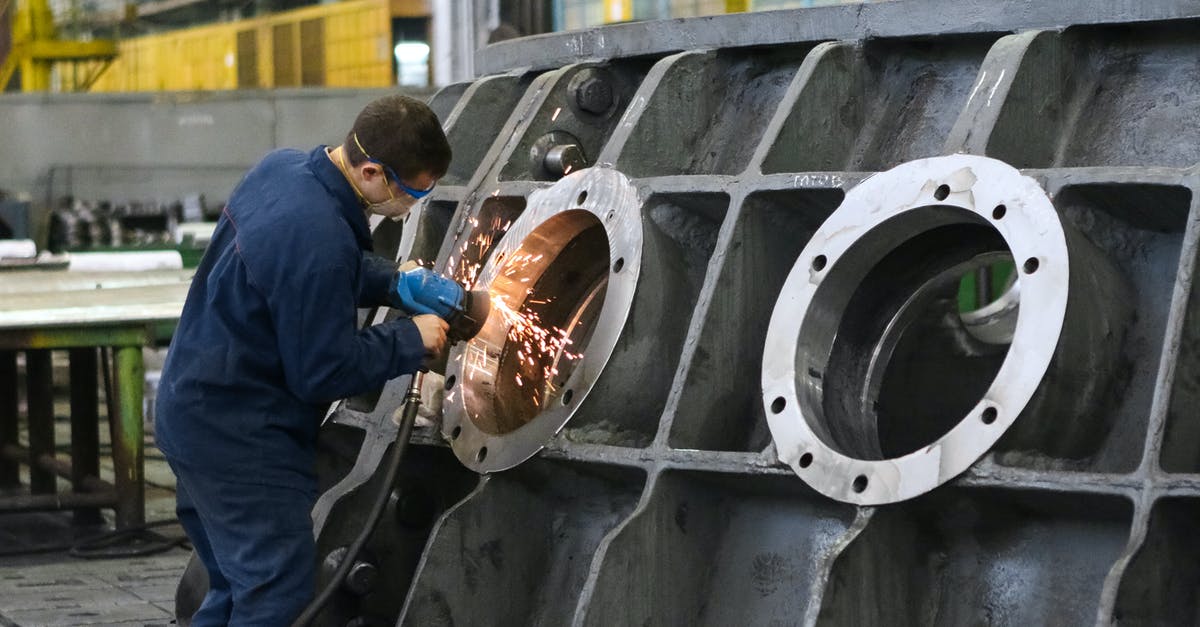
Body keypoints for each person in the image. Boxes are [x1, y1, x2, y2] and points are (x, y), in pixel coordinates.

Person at [155, 94, 451, 625]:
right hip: (241, 439)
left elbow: (302, 271)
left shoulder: (284, 170)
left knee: (228, 586)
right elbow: (323, 370)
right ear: (371, 172)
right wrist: (412, 339)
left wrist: (396, 282)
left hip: (194, 410)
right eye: (409, 194)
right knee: (273, 596)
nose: (409, 207)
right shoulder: (317, 237)